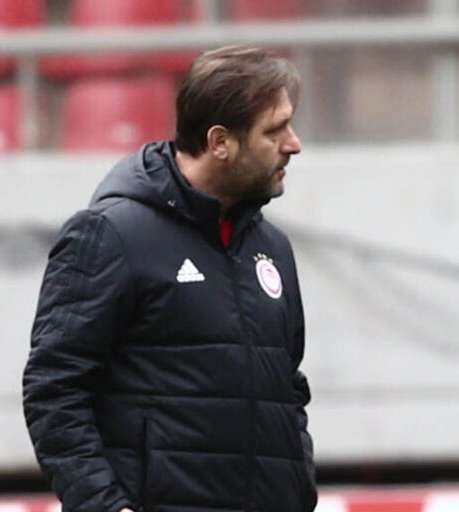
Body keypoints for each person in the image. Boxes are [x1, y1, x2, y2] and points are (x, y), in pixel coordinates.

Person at [23, 46, 314, 512]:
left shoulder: (272, 248)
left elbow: (287, 387)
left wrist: (298, 488)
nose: (293, 144)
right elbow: (53, 388)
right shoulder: (112, 234)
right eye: (274, 130)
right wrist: (104, 506)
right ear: (220, 142)